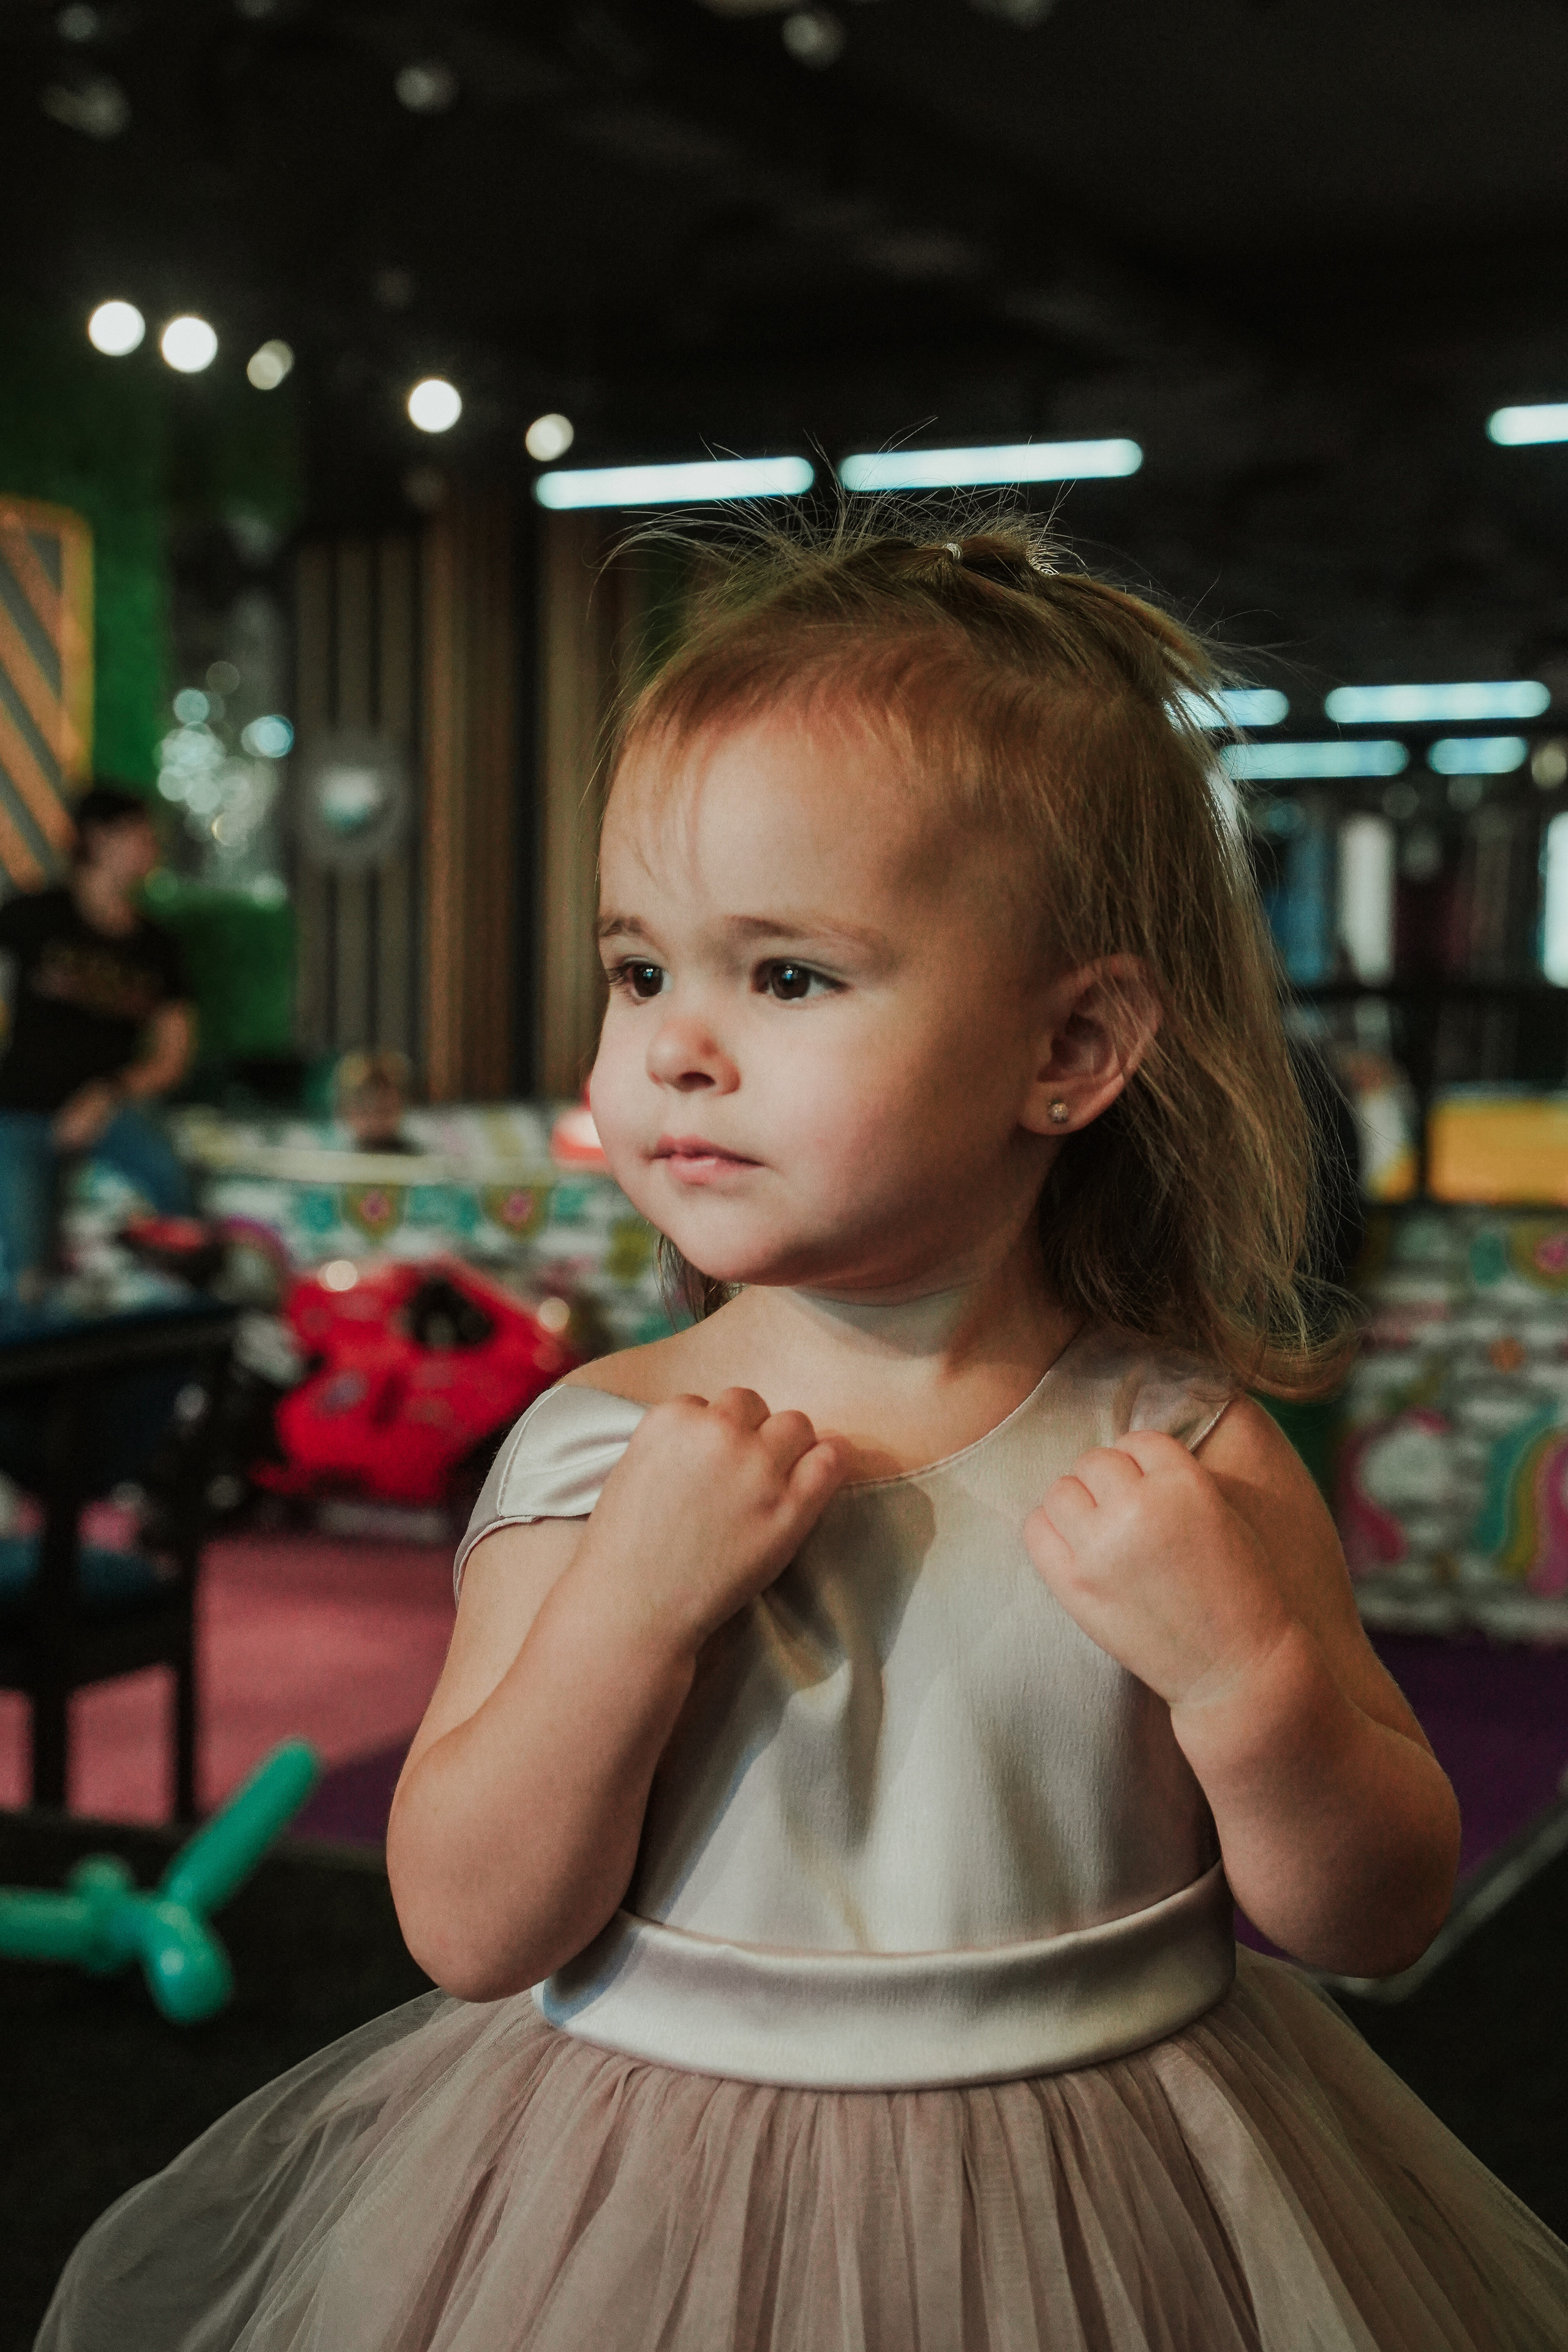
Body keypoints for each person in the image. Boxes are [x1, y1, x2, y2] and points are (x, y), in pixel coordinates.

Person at [37, 521, 1568, 2350]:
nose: (677, 1045)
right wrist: (627, 1606)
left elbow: (1372, 1907)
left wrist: (1249, 1684)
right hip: (634, 2215)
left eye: (785, 977)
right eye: (636, 969)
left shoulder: (1186, 1449)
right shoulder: (598, 1451)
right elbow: (465, 1922)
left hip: (1106, 2211)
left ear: (1067, 1046)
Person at [0, 783, 194, 1295]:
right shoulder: (34, 916)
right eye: (138, 834)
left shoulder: (157, 946)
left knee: (177, 1196)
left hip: (110, 1107)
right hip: (22, 1108)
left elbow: (173, 1055)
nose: (149, 847)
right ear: (98, 837)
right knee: (21, 1262)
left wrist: (107, 1096)